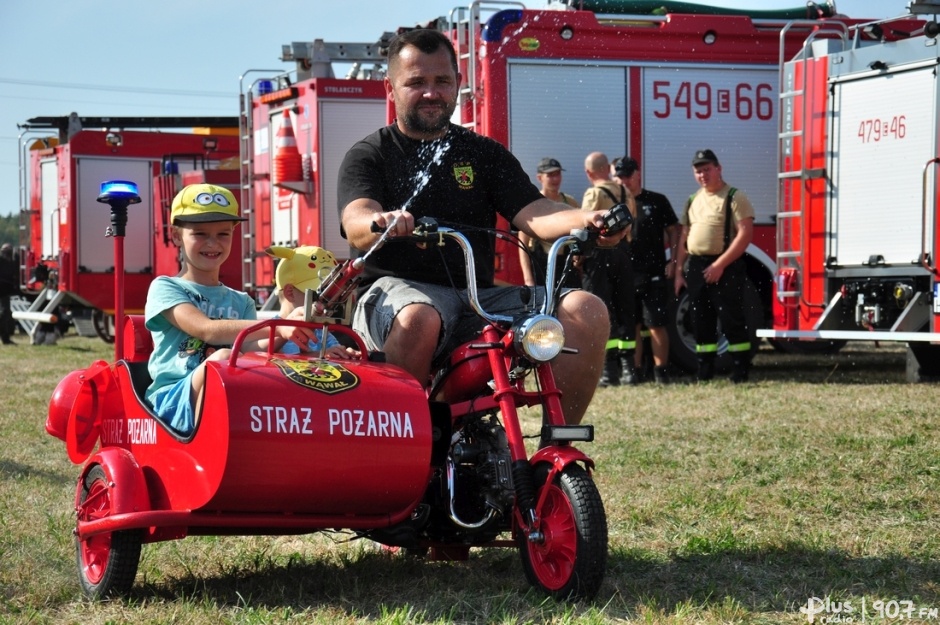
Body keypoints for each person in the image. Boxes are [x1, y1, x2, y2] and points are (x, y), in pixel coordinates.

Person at [338, 28, 622, 425]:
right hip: (393, 297)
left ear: (458, 83)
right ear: (391, 87)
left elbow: (536, 213)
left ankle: (560, 441)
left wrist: (589, 219)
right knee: (420, 317)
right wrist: (380, 220)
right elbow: (355, 220)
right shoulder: (370, 155)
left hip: (475, 300)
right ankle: (406, 448)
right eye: (416, 82)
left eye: (442, 81)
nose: (431, 92)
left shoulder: (482, 154)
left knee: (586, 308)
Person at [145, 183, 317, 436]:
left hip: (224, 393)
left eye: (223, 234)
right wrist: (279, 324)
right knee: (223, 361)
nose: (213, 243)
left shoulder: (241, 301)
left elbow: (249, 350)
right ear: (176, 235)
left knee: (253, 368)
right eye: (200, 233)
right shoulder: (165, 287)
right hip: (172, 401)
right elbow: (206, 330)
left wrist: (288, 329)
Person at [673, 149, 755, 383]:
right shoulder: (692, 199)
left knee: (731, 319)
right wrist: (679, 272)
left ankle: (741, 371)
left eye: (707, 169)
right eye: (698, 171)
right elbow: (684, 238)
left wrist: (720, 265)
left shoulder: (734, 196)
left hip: (725, 266)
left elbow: (745, 234)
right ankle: (704, 372)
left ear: (719, 169)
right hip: (697, 266)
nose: (703, 175)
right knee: (701, 320)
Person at [612, 156, 679, 384]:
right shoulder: (614, 205)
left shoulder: (656, 201)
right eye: (620, 176)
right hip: (626, 275)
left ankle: (662, 374)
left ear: (638, 174)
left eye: (628, 175)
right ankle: (636, 372)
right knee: (632, 326)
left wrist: (674, 261)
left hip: (653, 273)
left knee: (656, 325)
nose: (624, 181)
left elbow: (674, 231)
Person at [580, 151, 637, 387]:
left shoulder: (593, 194)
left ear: (589, 172)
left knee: (601, 311)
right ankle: (629, 370)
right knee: (625, 309)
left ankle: (607, 371)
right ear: (608, 169)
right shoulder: (626, 192)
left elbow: (585, 226)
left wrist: (579, 257)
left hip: (599, 255)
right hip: (623, 253)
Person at [266, 244, 359, 359]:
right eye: (318, 295)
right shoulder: (270, 330)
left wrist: (343, 353)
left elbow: (333, 351)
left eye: (330, 296)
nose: (326, 303)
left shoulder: (320, 331)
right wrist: (319, 355)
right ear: (289, 292)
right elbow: (269, 360)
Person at [518, 158, 581, 289]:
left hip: (565, 264)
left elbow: (580, 232)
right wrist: (528, 279)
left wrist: (578, 255)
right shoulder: (533, 203)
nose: (555, 179)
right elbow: (522, 242)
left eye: (557, 174)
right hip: (542, 264)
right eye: (550, 175)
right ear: (539, 178)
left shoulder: (569, 202)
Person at [0, 243, 18, 345]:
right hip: (4, 290)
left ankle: (5, 338)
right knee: (5, 313)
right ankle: (5, 338)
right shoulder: (6, 261)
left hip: (5, 291)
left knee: (5, 313)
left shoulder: (11, 261)